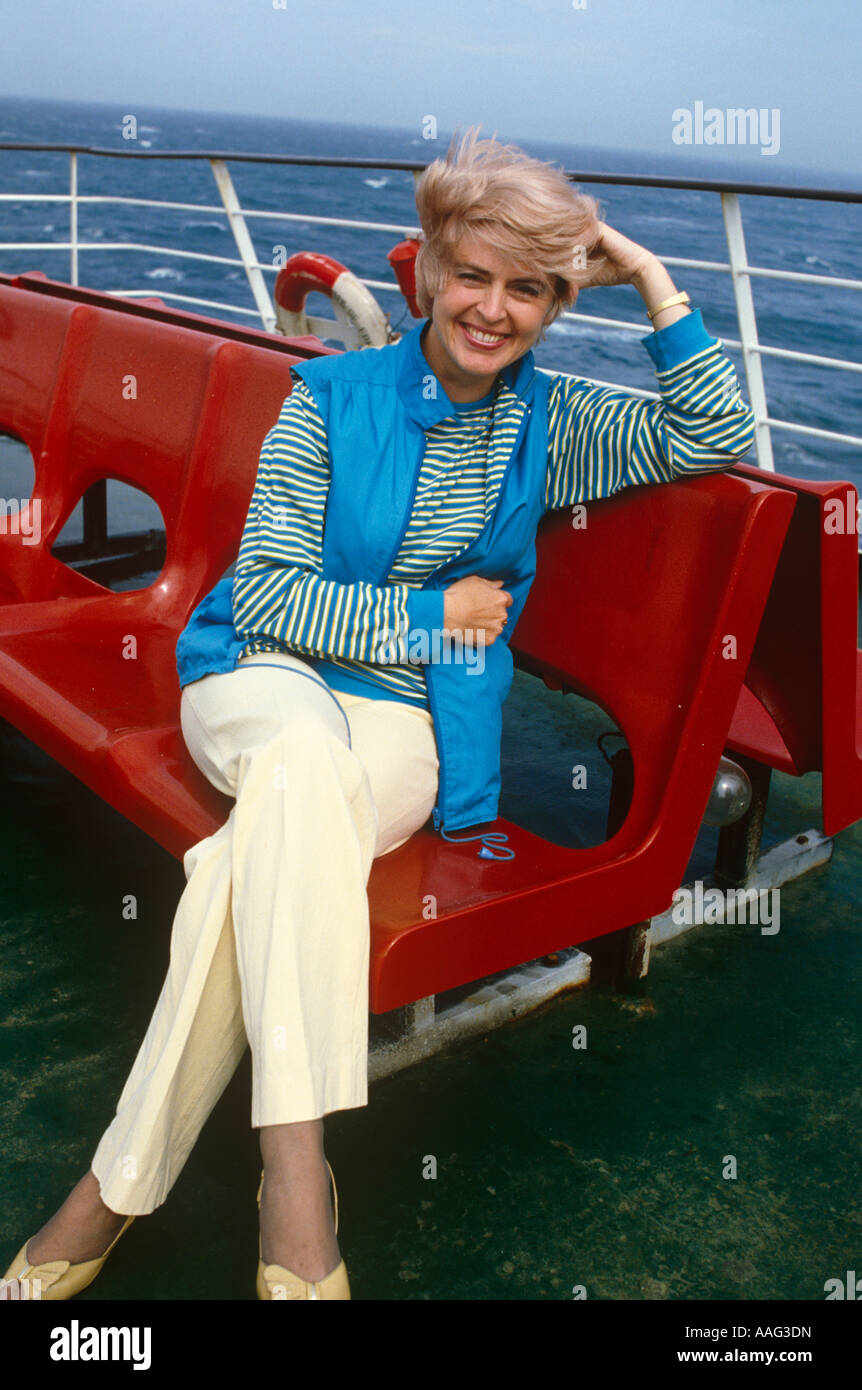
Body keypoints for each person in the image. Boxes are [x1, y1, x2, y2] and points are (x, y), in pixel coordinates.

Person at [2, 128, 755, 1301]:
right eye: (473, 273)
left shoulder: (549, 428)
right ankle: (296, 1178)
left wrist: (651, 278)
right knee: (297, 756)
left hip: (411, 727)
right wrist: (429, 613)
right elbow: (269, 592)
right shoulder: (326, 400)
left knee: (246, 862)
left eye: (528, 288)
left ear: (558, 304)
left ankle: (114, 1188)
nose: (492, 308)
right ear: (428, 273)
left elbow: (718, 436)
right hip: (258, 676)